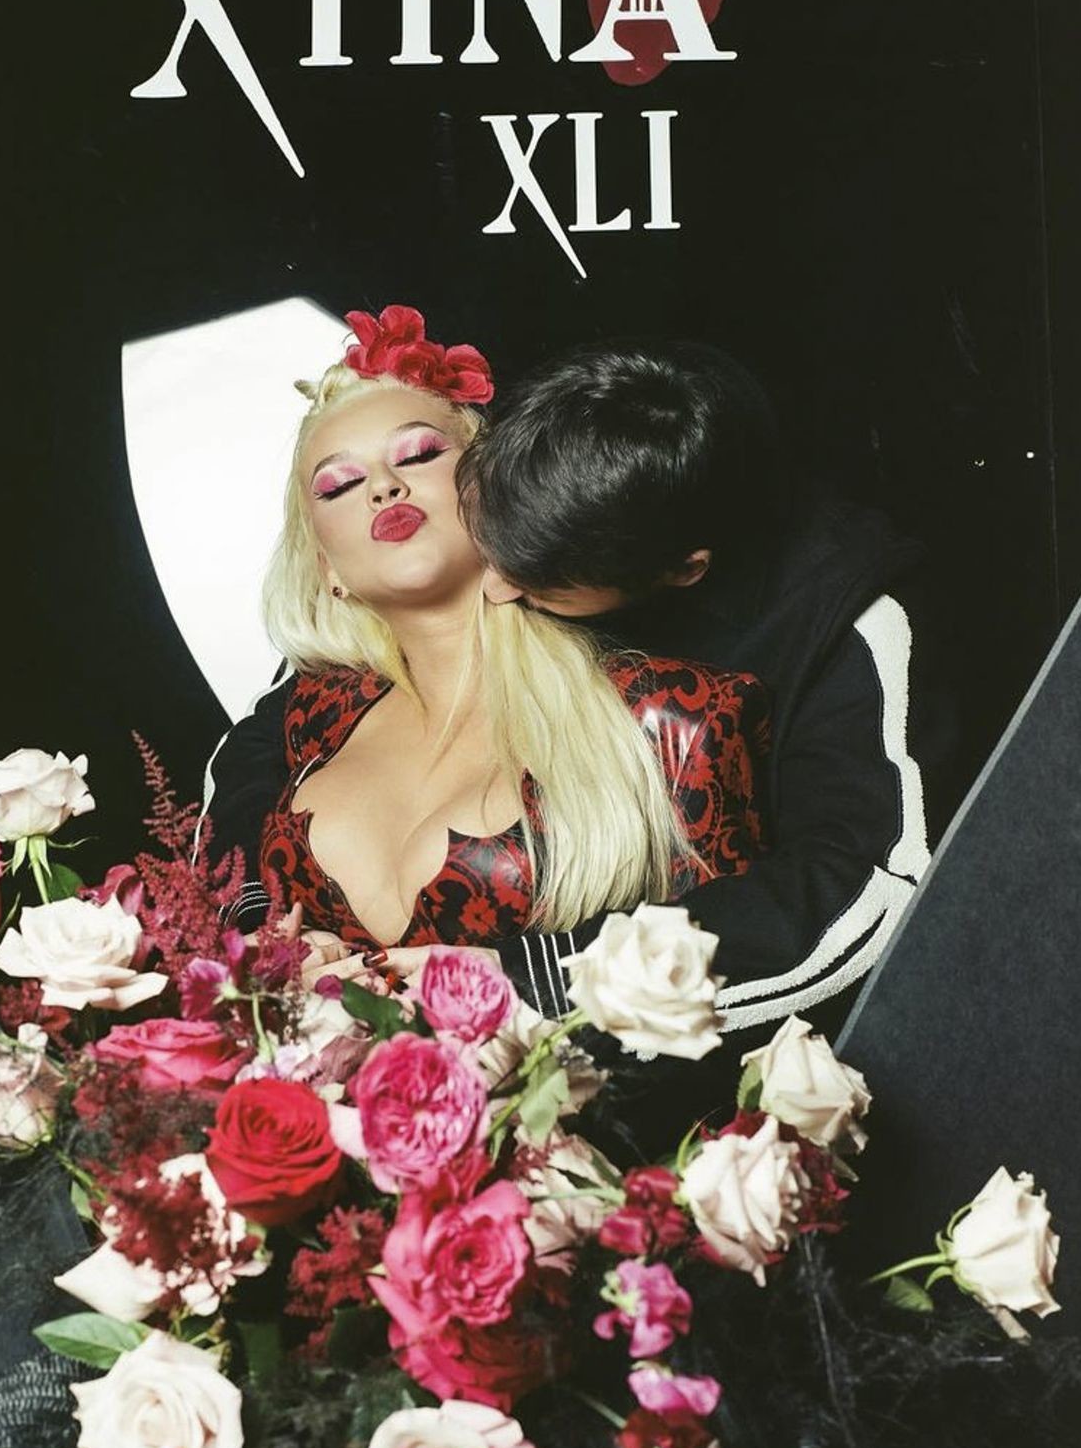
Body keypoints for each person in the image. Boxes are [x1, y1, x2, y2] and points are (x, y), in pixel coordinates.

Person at [201, 307, 771, 1010]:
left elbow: (726, 982)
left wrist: (530, 985)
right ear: (328, 569)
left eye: (418, 455)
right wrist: (267, 945)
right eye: (338, 485)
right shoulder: (304, 721)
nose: (383, 487)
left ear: (498, 488)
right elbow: (219, 877)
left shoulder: (673, 718)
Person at [455, 338, 955, 1042]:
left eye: (537, 584)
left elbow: (867, 886)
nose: (492, 590)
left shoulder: (856, 615)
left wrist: (547, 983)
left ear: (684, 570)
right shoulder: (579, 473)